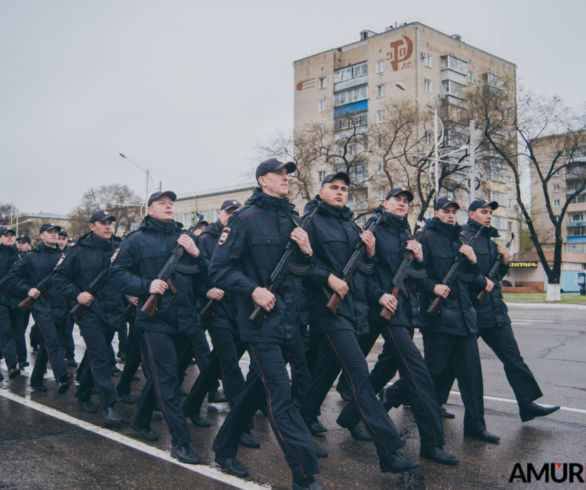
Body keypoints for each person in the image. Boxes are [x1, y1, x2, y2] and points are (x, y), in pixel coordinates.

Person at [209, 159, 321, 489]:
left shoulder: (292, 217)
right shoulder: (244, 219)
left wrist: (307, 251)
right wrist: (253, 289)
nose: (286, 178)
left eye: (288, 174)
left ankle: (224, 446)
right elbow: (219, 269)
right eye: (279, 173)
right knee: (281, 395)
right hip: (260, 325)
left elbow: (302, 271)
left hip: (291, 320)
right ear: (262, 180)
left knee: (258, 390)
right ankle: (305, 474)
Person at [299, 174, 418, 475]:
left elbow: (364, 270)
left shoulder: (352, 225)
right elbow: (299, 264)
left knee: (322, 377)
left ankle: (299, 429)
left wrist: (371, 253)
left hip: (350, 311)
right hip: (325, 310)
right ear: (321, 191)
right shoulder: (309, 222)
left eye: (344, 189)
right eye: (334, 188)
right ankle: (389, 451)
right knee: (359, 376)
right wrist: (327, 278)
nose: (340, 193)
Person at [334, 187, 458, 465]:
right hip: (379, 310)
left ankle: (350, 416)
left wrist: (420, 257)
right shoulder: (373, 228)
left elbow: (416, 277)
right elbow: (362, 271)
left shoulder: (407, 233)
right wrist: (379, 294)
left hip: (401, 311)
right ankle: (432, 444)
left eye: (406, 201)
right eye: (397, 200)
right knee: (418, 374)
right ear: (385, 203)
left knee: (383, 371)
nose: (402, 204)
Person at [111, 191, 202, 464]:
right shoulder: (135, 240)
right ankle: (181, 441)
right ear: (149, 210)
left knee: (169, 374)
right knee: (167, 380)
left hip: (185, 319)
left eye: (171, 203)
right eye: (162, 203)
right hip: (155, 320)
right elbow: (116, 273)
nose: (168, 206)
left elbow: (207, 273)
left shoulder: (186, 239)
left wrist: (197, 254)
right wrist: (145, 286)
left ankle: (139, 419)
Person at [462, 199, 560, 422]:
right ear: (470, 214)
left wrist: (504, 262)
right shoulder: (465, 238)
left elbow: (494, 278)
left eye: (490, 213)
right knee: (449, 363)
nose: (488, 216)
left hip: (495, 312)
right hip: (473, 312)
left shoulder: (489, 239)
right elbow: (464, 274)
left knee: (514, 359)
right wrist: (480, 283)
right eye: (483, 212)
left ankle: (527, 404)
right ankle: (407, 393)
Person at [418, 197, 499, 443]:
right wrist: (433, 287)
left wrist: (474, 263)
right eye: (446, 210)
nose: (451, 215)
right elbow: (416, 273)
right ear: (436, 212)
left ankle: (475, 426)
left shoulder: (460, 240)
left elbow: (471, 279)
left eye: (454, 211)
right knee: (432, 374)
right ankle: (396, 398)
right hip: (439, 319)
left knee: (473, 376)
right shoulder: (426, 238)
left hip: (464, 318)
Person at [182, 199, 260, 448]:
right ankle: (241, 426)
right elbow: (193, 272)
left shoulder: (243, 233)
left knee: (217, 364)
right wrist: (206, 291)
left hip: (239, 307)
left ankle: (192, 405)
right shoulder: (205, 240)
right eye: (228, 212)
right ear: (219, 214)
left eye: (236, 212)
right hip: (216, 311)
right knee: (230, 366)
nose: (232, 216)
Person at [54, 210, 126, 427]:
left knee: (95, 354)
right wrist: (78, 294)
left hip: (112, 310)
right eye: (103, 223)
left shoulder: (118, 249)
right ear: (91, 226)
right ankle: (109, 406)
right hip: (89, 311)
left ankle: (83, 393)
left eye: (110, 223)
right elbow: (59, 277)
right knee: (102, 356)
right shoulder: (78, 251)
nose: (108, 227)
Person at [4, 223, 69, 393]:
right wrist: (28, 289)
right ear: (41, 236)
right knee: (53, 341)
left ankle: (36, 378)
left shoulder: (65, 256)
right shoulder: (31, 257)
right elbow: (11, 278)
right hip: (41, 305)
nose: (54, 235)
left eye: (56, 232)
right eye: (50, 232)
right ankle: (62, 378)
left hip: (61, 305)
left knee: (48, 341)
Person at [0, 227, 21, 380]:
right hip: (1, 300)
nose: (9, 238)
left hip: (17, 301)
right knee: (6, 332)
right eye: (6, 236)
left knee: (15, 333)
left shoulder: (20, 255)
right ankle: (12, 365)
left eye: (12, 236)